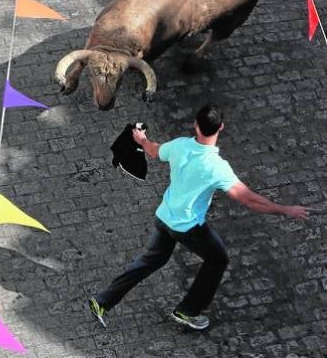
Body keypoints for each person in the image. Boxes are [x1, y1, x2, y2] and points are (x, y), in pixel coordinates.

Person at [89, 104, 312, 330]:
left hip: (164, 216)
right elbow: (248, 199)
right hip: (187, 227)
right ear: (221, 127)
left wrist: (141, 139)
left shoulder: (179, 146)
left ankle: (102, 301)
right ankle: (187, 311)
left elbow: (154, 151)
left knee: (151, 261)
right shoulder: (217, 167)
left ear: (196, 125)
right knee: (218, 259)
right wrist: (284, 209)